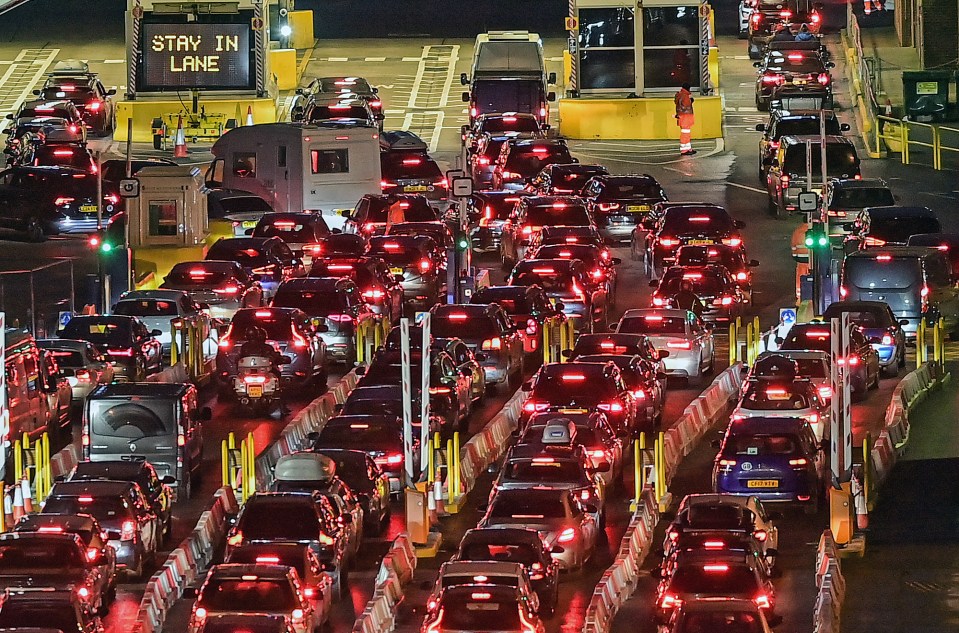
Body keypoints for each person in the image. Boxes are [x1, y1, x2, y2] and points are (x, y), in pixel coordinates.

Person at [674, 83, 696, 156]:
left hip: (682, 117)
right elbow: (686, 105)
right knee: (685, 134)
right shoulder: (685, 96)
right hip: (686, 117)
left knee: (686, 133)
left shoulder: (680, 94)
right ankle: (684, 150)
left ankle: (688, 148)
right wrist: (691, 100)